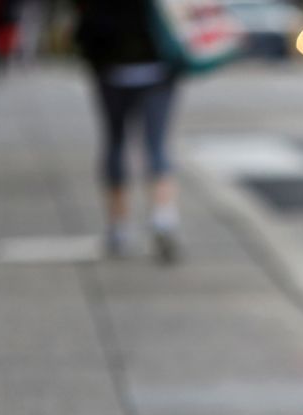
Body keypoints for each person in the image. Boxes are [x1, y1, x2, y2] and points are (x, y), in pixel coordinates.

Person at [73, 0, 182, 263]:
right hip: (156, 66)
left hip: (112, 66)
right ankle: (162, 217)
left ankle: (119, 227)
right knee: (155, 144)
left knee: (115, 143)